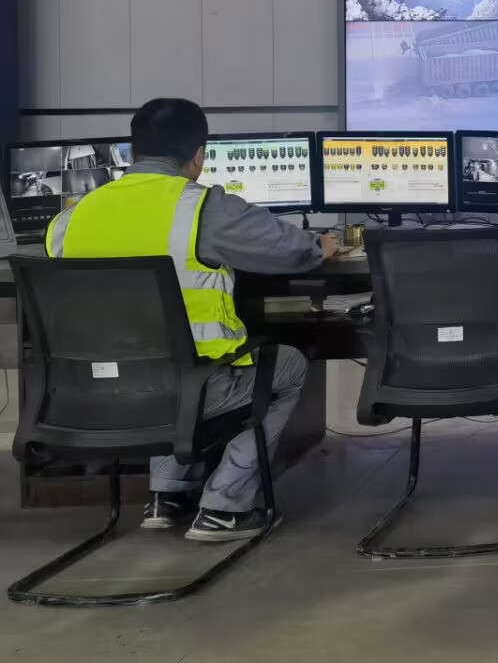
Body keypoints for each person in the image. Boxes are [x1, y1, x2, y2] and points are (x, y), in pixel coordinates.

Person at [45, 98, 341, 542]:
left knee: (159, 358)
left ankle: (168, 494)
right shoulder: (202, 208)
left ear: (134, 150)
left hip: (90, 391)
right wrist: (321, 246)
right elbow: (289, 250)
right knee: (290, 366)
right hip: (190, 391)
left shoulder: (73, 217)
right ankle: (225, 507)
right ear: (199, 156)